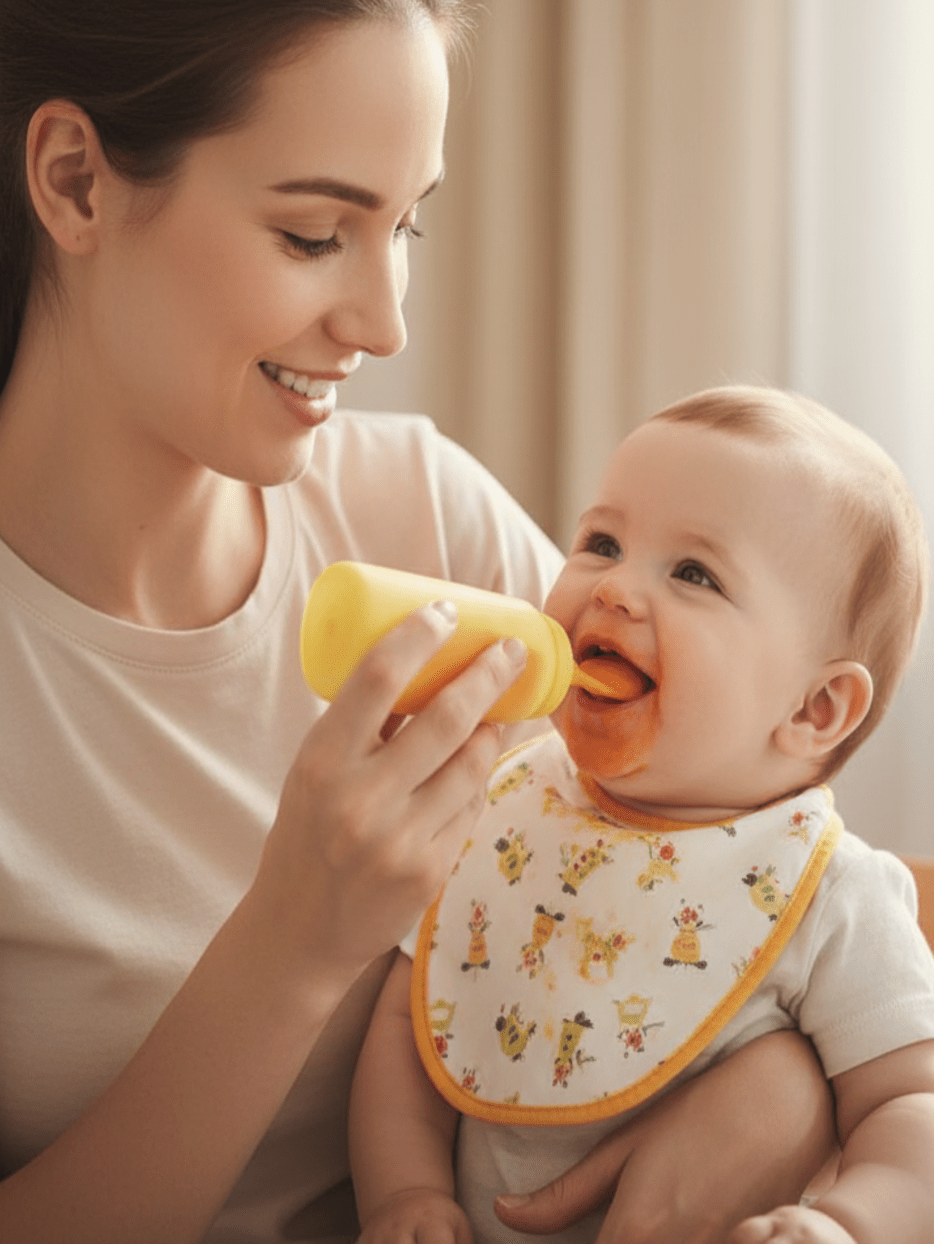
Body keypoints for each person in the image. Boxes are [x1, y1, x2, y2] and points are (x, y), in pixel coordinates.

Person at [0, 0, 835, 1244]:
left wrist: (783, 1096)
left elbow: (742, 883)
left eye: (406, 225)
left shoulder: (422, 513)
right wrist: (293, 945)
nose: (386, 321)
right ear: (75, 180)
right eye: (312, 233)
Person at [350, 385, 934, 1244]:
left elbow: (911, 1106)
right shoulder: (505, 803)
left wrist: (849, 1225)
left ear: (814, 710)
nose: (616, 588)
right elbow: (412, 1021)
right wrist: (402, 1194)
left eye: (693, 573)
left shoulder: (832, 895)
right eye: (602, 541)